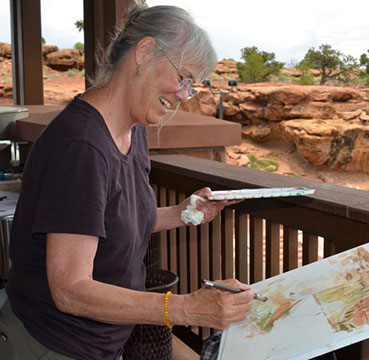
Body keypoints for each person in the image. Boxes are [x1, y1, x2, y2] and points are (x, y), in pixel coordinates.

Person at [0, 2, 255, 360]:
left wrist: (183, 213)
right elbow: (70, 290)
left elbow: (115, 220)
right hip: (51, 345)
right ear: (145, 52)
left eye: (191, 86)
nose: (183, 95)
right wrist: (185, 309)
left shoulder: (132, 132)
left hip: (100, 343)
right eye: (183, 78)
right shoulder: (81, 147)